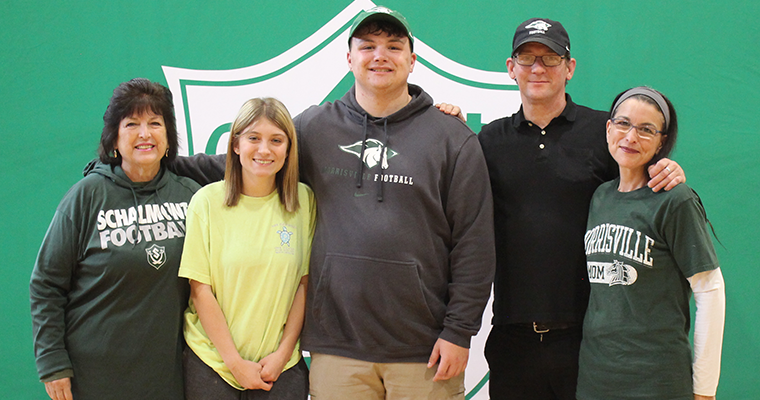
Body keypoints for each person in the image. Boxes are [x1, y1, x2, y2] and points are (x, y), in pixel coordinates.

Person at [172, 6, 495, 399]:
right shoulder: (316, 127)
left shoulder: (452, 138)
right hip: (336, 349)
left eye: (394, 46)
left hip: (423, 350)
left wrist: (459, 332)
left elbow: (474, 244)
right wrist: (151, 164)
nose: (380, 55)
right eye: (368, 46)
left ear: (412, 60)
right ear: (349, 58)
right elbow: (251, 162)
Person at [475, 19, 686, 400]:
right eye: (527, 57)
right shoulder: (489, 139)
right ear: (511, 68)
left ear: (570, 68)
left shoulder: (604, 131)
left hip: (587, 339)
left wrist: (667, 167)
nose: (538, 68)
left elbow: (641, 182)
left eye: (551, 58)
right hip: (511, 337)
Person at [29, 78, 201, 400]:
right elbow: (46, 283)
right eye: (132, 124)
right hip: (91, 378)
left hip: (166, 379)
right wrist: (52, 363)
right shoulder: (87, 196)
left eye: (155, 123)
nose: (145, 134)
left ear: (168, 137)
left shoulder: (192, 198)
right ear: (114, 139)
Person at [577, 86, 725, 400]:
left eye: (646, 130)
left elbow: (710, 289)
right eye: (623, 124)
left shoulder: (675, 199)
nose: (631, 137)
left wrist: (705, 389)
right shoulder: (600, 197)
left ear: (662, 142)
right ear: (608, 128)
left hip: (656, 380)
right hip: (596, 378)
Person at [179, 97, 315, 400]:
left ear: (289, 149)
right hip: (212, 365)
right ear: (236, 145)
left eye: (276, 140)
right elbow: (200, 289)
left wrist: (282, 354)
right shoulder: (206, 202)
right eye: (253, 138)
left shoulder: (304, 202)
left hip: (280, 366)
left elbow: (304, 285)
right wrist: (234, 363)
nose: (264, 150)